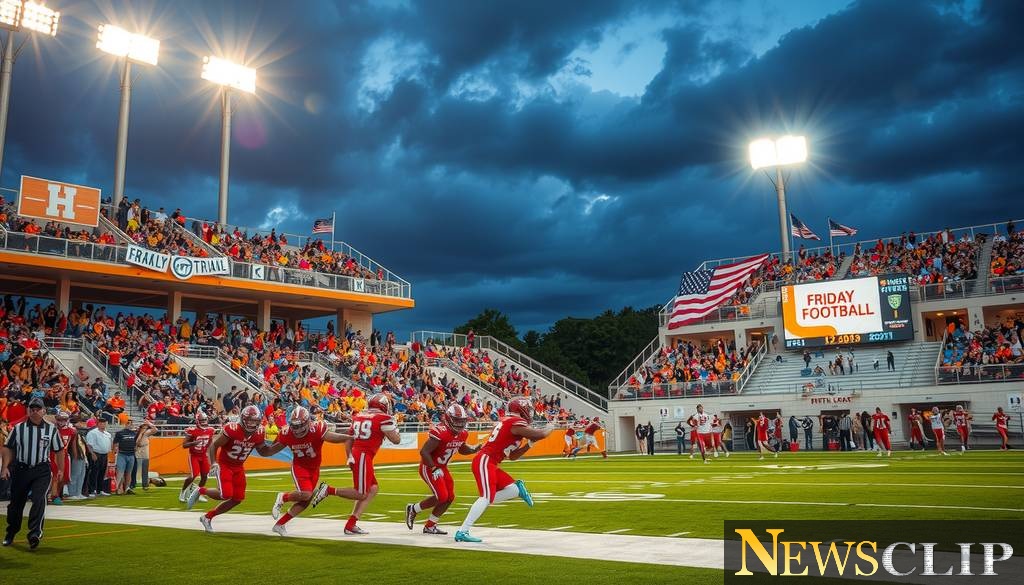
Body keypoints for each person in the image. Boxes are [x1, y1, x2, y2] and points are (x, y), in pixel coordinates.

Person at [454, 396, 552, 543]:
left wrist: (529, 445)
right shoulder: (514, 422)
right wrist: (551, 426)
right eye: (528, 409)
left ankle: (519, 488)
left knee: (513, 490)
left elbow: (512, 456)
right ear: (521, 409)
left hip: (491, 463)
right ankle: (462, 531)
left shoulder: (511, 423)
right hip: (485, 460)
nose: (530, 413)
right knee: (485, 497)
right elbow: (541, 434)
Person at [312, 393, 400, 535]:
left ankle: (351, 524)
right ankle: (328, 490)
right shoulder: (384, 418)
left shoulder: (359, 416)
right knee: (361, 493)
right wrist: (395, 426)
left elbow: (349, 438)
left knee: (373, 488)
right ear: (384, 405)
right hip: (364, 456)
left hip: (358, 454)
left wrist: (349, 456)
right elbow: (396, 440)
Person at [267, 406, 357, 536]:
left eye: (300, 425)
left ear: (308, 422)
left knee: (306, 500)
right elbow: (271, 450)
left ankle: (280, 524)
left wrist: (349, 437)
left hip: (314, 468)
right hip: (300, 467)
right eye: (295, 426)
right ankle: (283, 497)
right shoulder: (286, 433)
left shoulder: (317, 429)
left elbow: (336, 438)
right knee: (306, 494)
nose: (297, 429)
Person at [185, 405, 277, 532]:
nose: (251, 424)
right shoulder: (232, 429)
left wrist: (279, 445)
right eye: (249, 420)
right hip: (225, 465)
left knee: (237, 499)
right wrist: (213, 463)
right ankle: (201, 491)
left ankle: (208, 517)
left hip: (238, 467)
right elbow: (214, 445)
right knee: (226, 494)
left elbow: (263, 451)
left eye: (255, 421)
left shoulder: (260, 432)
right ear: (243, 419)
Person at [405, 404, 480, 535]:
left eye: (462, 420)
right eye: (457, 420)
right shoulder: (441, 431)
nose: (459, 423)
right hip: (429, 467)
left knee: (450, 497)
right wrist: (433, 468)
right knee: (442, 496)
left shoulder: (463, 433)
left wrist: (474, 449)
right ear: (448, 419)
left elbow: (461, 448)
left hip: (442, 467)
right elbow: (424, 452)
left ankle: (430, 525)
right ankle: (414, 509)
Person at [2, 397, 65, 549]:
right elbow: (8, 447)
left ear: (44, 411)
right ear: (28, 410)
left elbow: (59, 450)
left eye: (38, 409)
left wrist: (61, 469)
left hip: (41, 469)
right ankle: (11, 532)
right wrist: (5, 467)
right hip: (21, 468)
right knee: (16, 504)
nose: (35, 412)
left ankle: (35, 533)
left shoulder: (51, 429)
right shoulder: (18, 428)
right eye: (32, 409)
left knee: (39, 498)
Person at [180, 412, 215, 502]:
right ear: (197, 421)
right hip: (194, 455)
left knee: (204, 476)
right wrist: (193, 443)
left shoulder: (211, 430)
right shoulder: (192, 430)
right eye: (202, 420)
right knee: (193, 475)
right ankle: (183, 492)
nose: (204, 422)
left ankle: (197, 493)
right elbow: (184, 445)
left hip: (203, 455)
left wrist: (209, 455)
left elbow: (210, 443)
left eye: (205, 420)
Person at [48, 411, 76, 504]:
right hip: (53, 455)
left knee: (63, 478)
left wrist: (75, 456)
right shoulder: (52, 429)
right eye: (59, 419)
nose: (61, 422)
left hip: (64, 455)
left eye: (64, 420)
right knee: (54, 476)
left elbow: (73, 445)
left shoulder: (72, 431)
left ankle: (57, 494)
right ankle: (52, 495)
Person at [85, 418, 113, 497]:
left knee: (102, 472)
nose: (103, 425)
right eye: (101, 423)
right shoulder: (93, 433)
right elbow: (89, 444)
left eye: (104, 423)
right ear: (98, 424)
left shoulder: (108, 434)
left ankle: (99, 490)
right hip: (96, 453)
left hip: (104, 454)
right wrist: (92, 454)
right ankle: (92, 490)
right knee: (94, 472)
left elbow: (109, 444)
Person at [112, 419, 138, 494]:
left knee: (129, 472)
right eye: (128, 423)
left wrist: (135, 448)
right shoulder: (120, 433)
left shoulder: (134, 433)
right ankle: (117, 488)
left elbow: (135, 443)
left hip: (131, 455)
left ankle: (127, 488)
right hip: (122, 454)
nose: (130, 425)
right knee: (120, 472)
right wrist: (114, 452)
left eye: (131, 423)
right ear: (125, 424)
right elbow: (115, 443)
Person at [135, 418, 157, 490]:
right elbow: (136, 443)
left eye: (146, 427)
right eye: (144, 427)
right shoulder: (137, 433)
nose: (145, 428)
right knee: (134, 470)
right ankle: (132, 484)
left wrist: (149, 423)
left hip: (145, 454)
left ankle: (145, 485)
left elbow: (155, 430)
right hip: (137, 454)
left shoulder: (146, 433)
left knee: (145, 470)